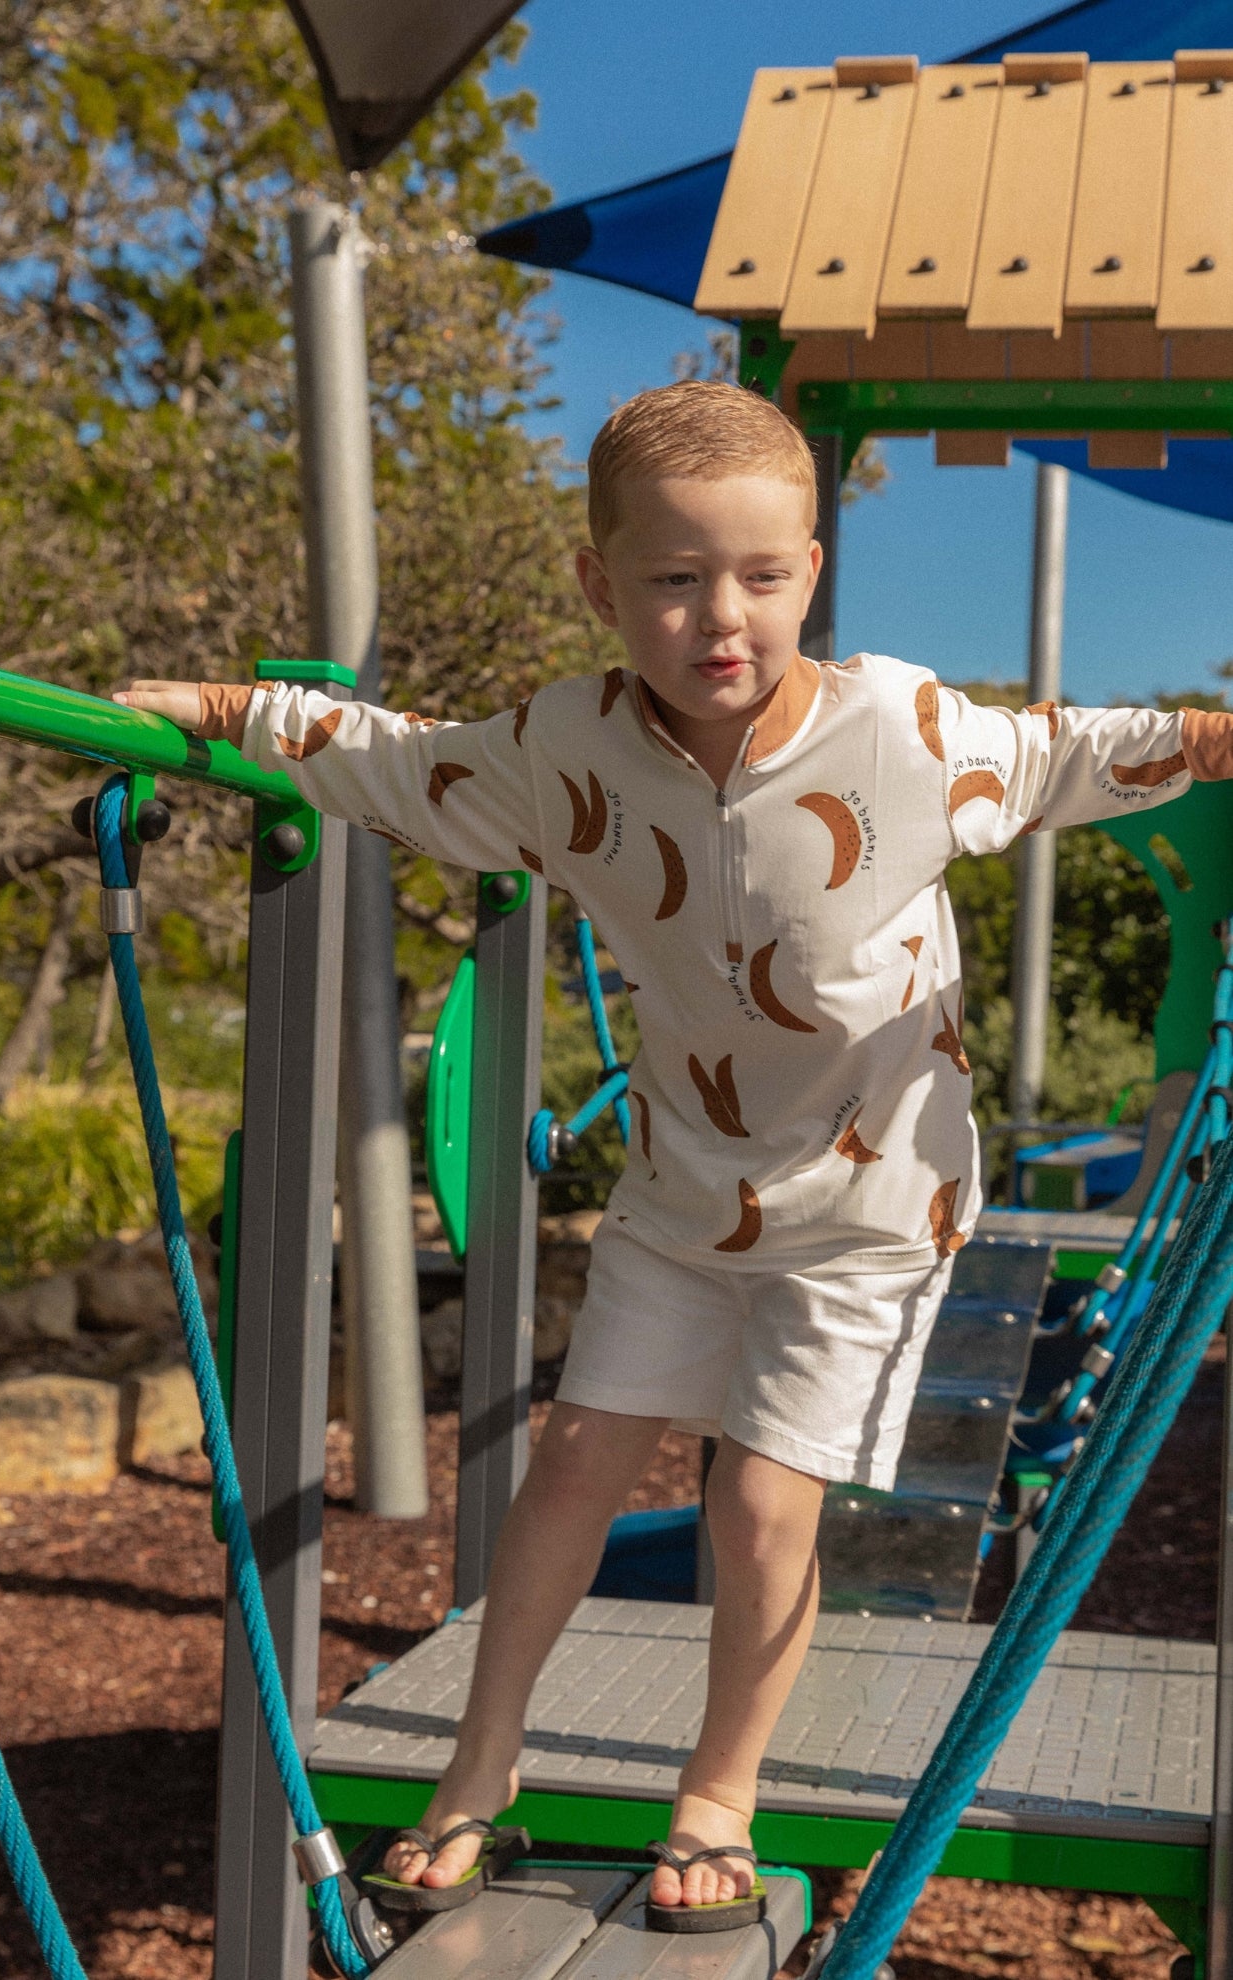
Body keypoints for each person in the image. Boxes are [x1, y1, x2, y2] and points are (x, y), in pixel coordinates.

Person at [114, 380, 1233, 1929]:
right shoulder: (562, 749)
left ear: (812, 573)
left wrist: (1208, 736)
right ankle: (479, 1767)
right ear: (599, 583)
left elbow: (1071, 750)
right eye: (674, 578)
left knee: (761, 1505)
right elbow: (395, 760)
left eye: (763, 578)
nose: (724, 617)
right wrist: (235, 718)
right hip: (682, 1192)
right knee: (570, 1463)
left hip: (870, 1204)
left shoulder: (899, 732)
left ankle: (717, 1796)